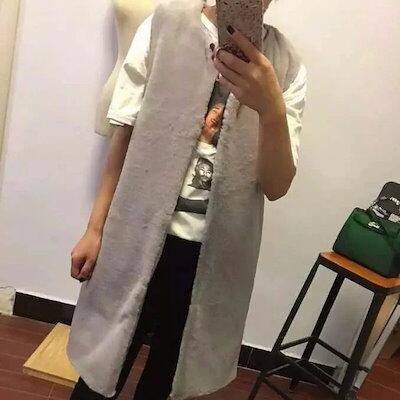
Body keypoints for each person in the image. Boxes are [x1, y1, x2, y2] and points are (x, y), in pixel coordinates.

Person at [69, 0, 307, 399]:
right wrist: (94, 229)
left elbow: (276, 185)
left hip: (212, 258)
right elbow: (123, 136)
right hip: (135, 236)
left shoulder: (286, 66)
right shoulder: (163, 27)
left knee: (167, 377)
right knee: (100, 369)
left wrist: (271, 109)